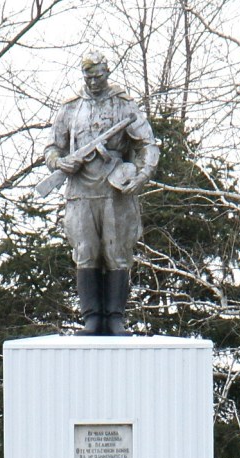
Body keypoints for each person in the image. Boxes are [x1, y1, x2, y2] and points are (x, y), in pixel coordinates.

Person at [44, 51, 159, 335]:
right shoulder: (70, 108)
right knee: (85, 251)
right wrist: (60, 162)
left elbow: (148, 145)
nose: (93, 82)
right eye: (88, 76)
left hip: (114, 190)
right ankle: (92, 317)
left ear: (107, 73)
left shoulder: (124, 106)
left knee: (117, 252)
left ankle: (115, 317)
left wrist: (142, 175)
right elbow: (52, 148)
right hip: (80, 190)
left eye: (98, 76)